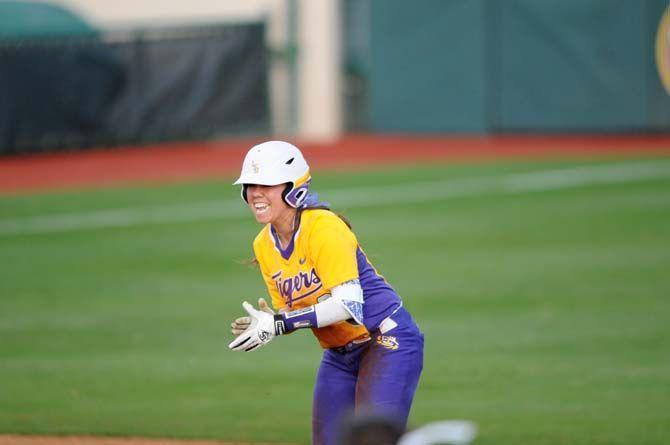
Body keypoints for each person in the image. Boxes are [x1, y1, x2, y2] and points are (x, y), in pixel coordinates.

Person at [228, 141, 424, 445]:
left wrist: (280, 323)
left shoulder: (323, 228)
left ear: (294, 187)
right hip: (340, 354)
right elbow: (294, 315)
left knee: (374, 440)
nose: (255, 193)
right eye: (250, 185)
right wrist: (269, 321)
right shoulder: (263, 245)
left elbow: (349, 306)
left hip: (385, 341)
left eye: (266, 184)